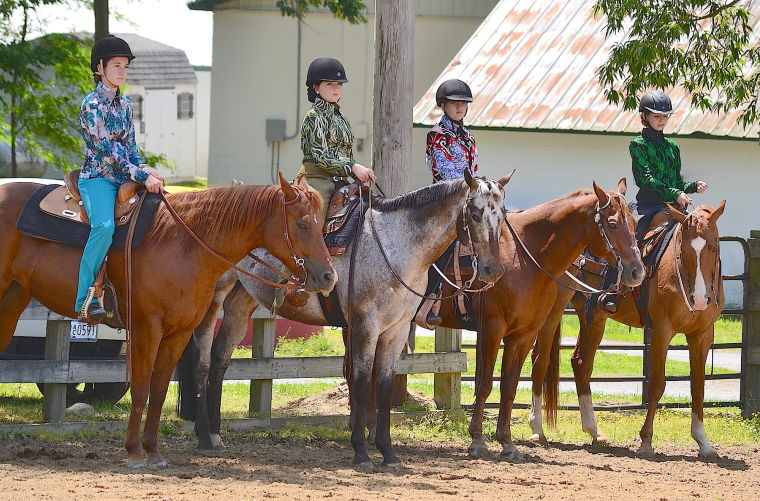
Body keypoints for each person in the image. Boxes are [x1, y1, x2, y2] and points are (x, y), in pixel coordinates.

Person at [274, 57, 376, 308]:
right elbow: (321, 155)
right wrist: (353, 166)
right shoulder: (313, 116)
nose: (336, 88)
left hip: (341, 179)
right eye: (330, 84)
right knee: (310, 225)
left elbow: (345, 153)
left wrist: (358, 171)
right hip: (317, 179)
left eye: (339, 84)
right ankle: (296, 284)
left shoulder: (340, 118)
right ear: (316, 87)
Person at [75, 35, 163, 322]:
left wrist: (146, 168)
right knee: (103, 226)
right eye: (116, 65)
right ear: (99, 67)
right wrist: (139, 174)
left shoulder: (125, 105)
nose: (122, 71)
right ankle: (85, 297)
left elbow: (130, 148)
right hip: (98, 177)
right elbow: (107, 152)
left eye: (125, 66)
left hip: (125, 176)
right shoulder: (91, 105)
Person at [600, 90, 708, 313]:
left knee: (700, 240)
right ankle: (611, 291)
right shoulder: (638, 144)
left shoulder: (673, 147)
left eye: (665, 116)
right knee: (630, 241)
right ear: (645, 117)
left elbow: (676, 181)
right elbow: (645, 179)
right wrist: (675, 193)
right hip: (647, 206)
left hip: (676, 207)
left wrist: (692, 187)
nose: (661, 120)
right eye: (656, 116)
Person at [421, 78, 478, 325]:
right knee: (441, 248)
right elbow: (444, 171)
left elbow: (473, 169)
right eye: (454, 103)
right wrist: (469, 187)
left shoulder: (469, 138)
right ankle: (428, 301)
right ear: (443, 105)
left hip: (467, 198)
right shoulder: (436, 135)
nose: (459, 108)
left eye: (463, 104)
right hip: (444, 200)